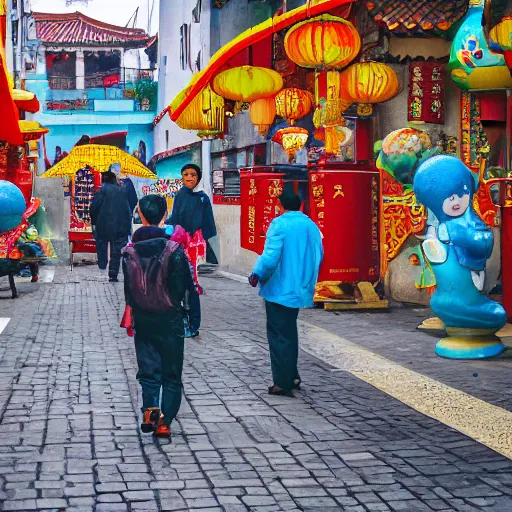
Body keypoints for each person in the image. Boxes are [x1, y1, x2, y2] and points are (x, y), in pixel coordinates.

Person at [122, 194, 193, 439]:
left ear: (140, 215)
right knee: (171, 374)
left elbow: (128, 292)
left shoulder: (129, 251)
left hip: (143, 320)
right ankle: (164, 422)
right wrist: (191, 319)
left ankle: (150, 409)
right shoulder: (174, 249)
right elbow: (185, 287)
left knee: (148, 369)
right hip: (170, 319)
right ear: (164, 216)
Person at [248, 189, 323, 396]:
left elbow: (270, 258)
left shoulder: (279, 224)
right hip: (300, 287)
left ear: (281, 205)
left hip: (279, 288)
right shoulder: (311, 225)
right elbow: (319, 254)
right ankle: (292, 375)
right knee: (289, 332)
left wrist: (256, 273)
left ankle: (282, 382)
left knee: (278, 334)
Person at [166, 163, 217, 337]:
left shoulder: (202, 198)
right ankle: (182, 321)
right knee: (179, 285)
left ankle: (193, 324)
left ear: (198, 177)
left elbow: (209, 224)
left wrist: (211, 252)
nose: (189, 177)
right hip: (180, 246)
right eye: (186, 174)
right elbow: (176, 218)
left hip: (196, 248)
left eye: (193, 174)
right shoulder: (180, 195)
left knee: (192, 286)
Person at [90, 170, 132, 282]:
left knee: (102, 244)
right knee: (116, 250)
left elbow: (94, 207)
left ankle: (102, 265)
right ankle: (113, 274)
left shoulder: (102, 190)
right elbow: (129, 206)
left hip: (104, 224)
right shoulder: (123, 191)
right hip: (121, 225)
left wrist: (94, 221)